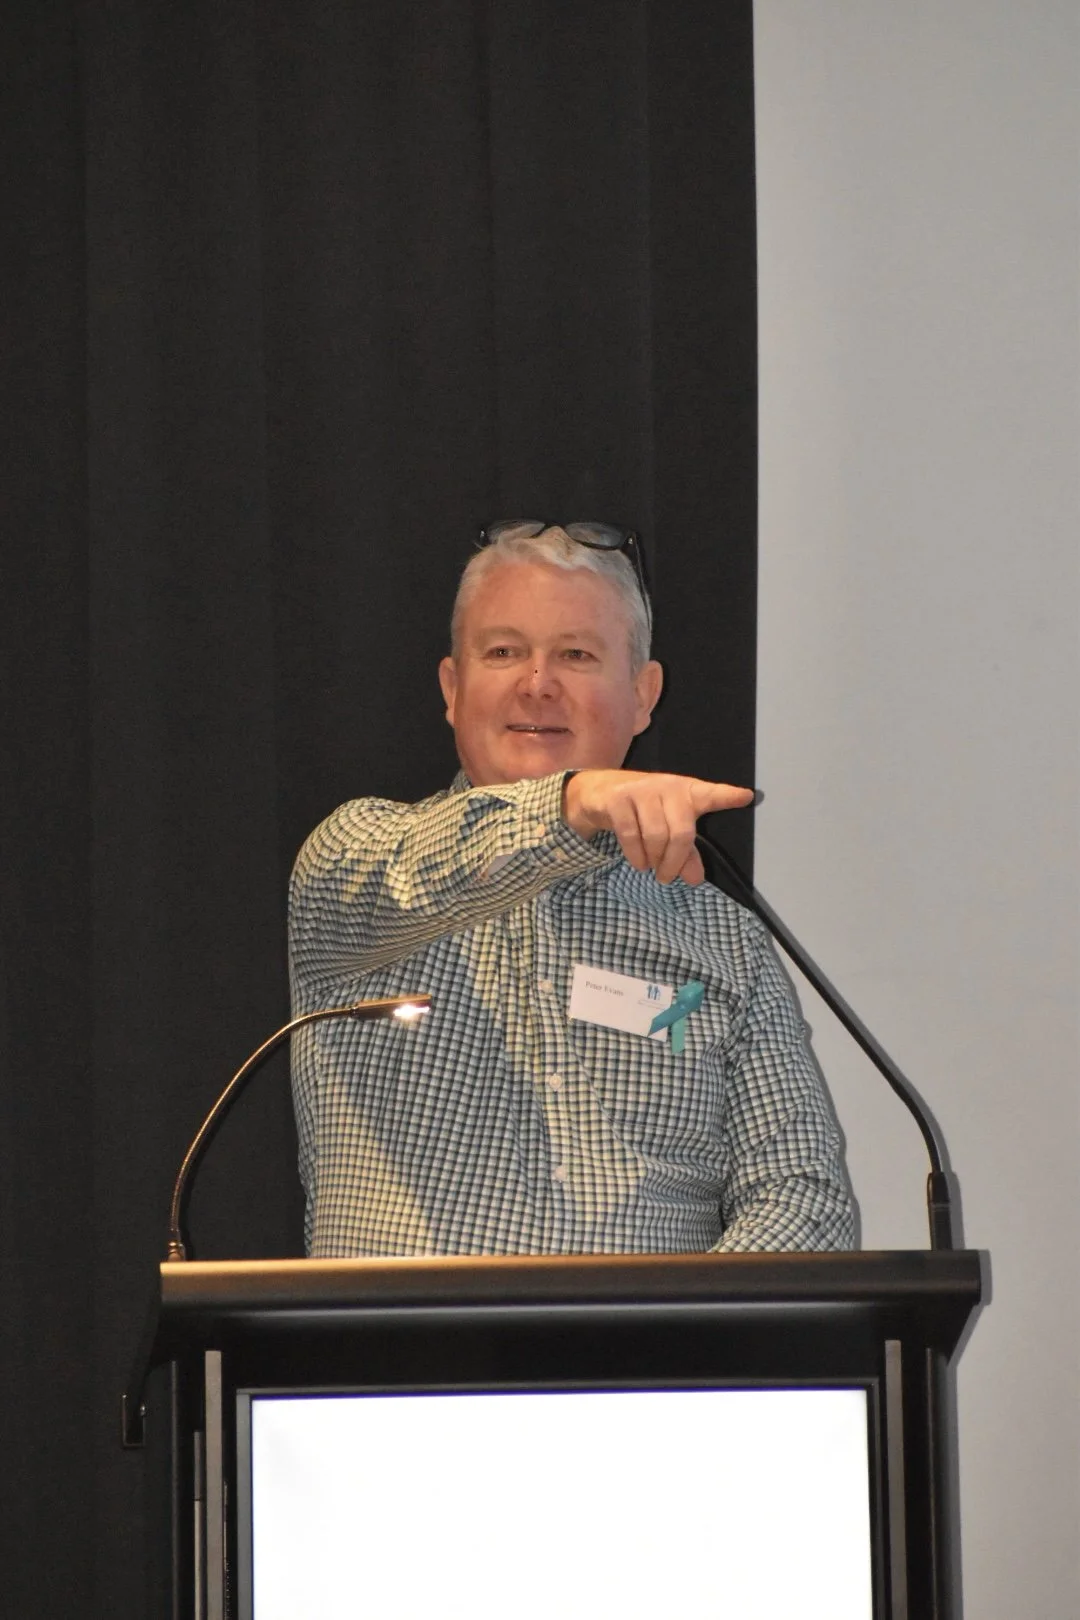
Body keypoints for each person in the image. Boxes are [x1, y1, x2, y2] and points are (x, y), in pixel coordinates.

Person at [289, 522, 853, 1257]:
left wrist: (675, 1343)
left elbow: (802, 1196)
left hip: (651, 1365)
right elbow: (411, 872)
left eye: (576, 654)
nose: (537, 682)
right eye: (503, 651)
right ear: (452, 691)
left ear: (644, 696)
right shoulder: (356, 858)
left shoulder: (726, 940)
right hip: (406, 1364)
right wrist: (573, 802)